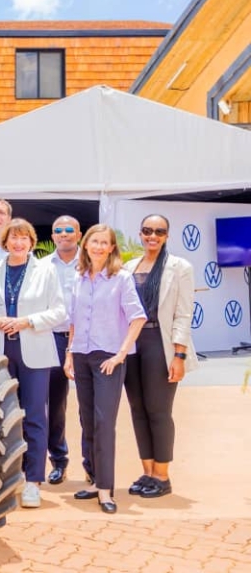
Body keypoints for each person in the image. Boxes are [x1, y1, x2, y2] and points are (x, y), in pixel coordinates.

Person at [0, 218, 65, 509]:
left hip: (34, 351)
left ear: (31, 242)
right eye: (13, 238)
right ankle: (6, 477)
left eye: (24, 238)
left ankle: (33, 481)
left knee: (35, 416)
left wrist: (28, 321)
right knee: (3, 417)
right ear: (5, 242)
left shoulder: (46, 271)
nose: (18, 243)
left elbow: (59, 311)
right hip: (1, 350)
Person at [64, 224, 146, 514]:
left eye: (104, 243)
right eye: (94, 242)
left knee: (103, 423)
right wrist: (69, 354)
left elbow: (138, 318)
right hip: (82, 355)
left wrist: (121, 355)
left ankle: (105, 489)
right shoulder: (78, 279)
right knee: (86, 419)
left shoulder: (121, 279)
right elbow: (73, 321)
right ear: (85, 245)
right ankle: (92, 479)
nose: (98, 247)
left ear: (112, 248)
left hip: (108, 357)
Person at [123, 214, 195, 499]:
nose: (153, 236)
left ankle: (162, 476)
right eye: (147, 231)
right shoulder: (129, 267)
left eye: (159, 231)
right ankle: (147, 471)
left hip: (160, 343)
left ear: (167, 235)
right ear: (140, 233)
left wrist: (179, 354)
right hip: (132, 344)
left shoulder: (180, 268)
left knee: (159, 410)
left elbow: (183, 313)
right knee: (137, 409)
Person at [42, 215, 88, 486]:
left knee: (90, 406)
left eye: (69, 230)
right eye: (58, 230)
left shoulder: (92, 261)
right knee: (55, 404)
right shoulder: (42, 266)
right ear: (53, 235)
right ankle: (59, 460)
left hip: (89, 341)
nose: (63, 234)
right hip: (55, 339)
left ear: (79, 234)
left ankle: (92, 465)